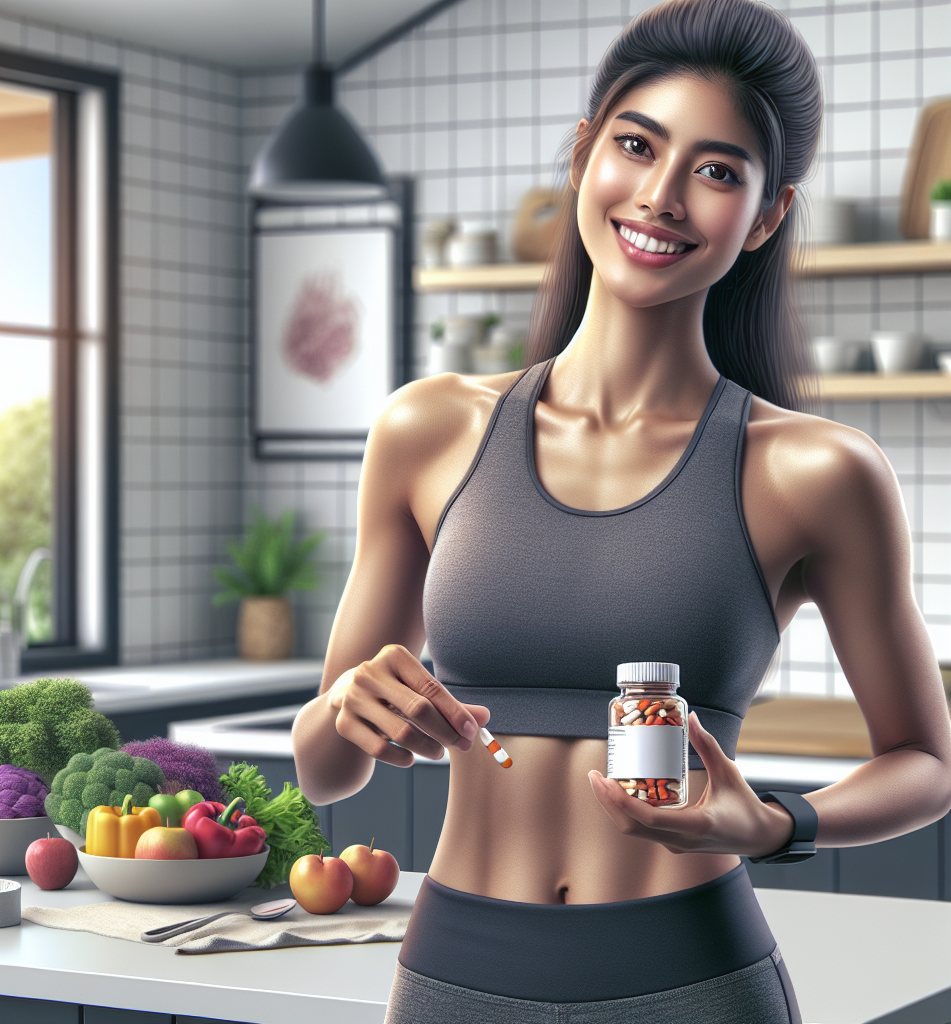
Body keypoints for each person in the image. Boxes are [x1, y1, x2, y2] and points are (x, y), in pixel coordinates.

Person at [292, 0, 951, 1020]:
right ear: (583, 153)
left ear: (766, 216)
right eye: (636, 145)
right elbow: (326, 771)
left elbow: (925, 763)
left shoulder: (815, 469)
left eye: (717, 169)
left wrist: (775, 823)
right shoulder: (427, 429)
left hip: (690, 977)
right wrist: (343, 707)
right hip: (457, 973)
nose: (660, 195)